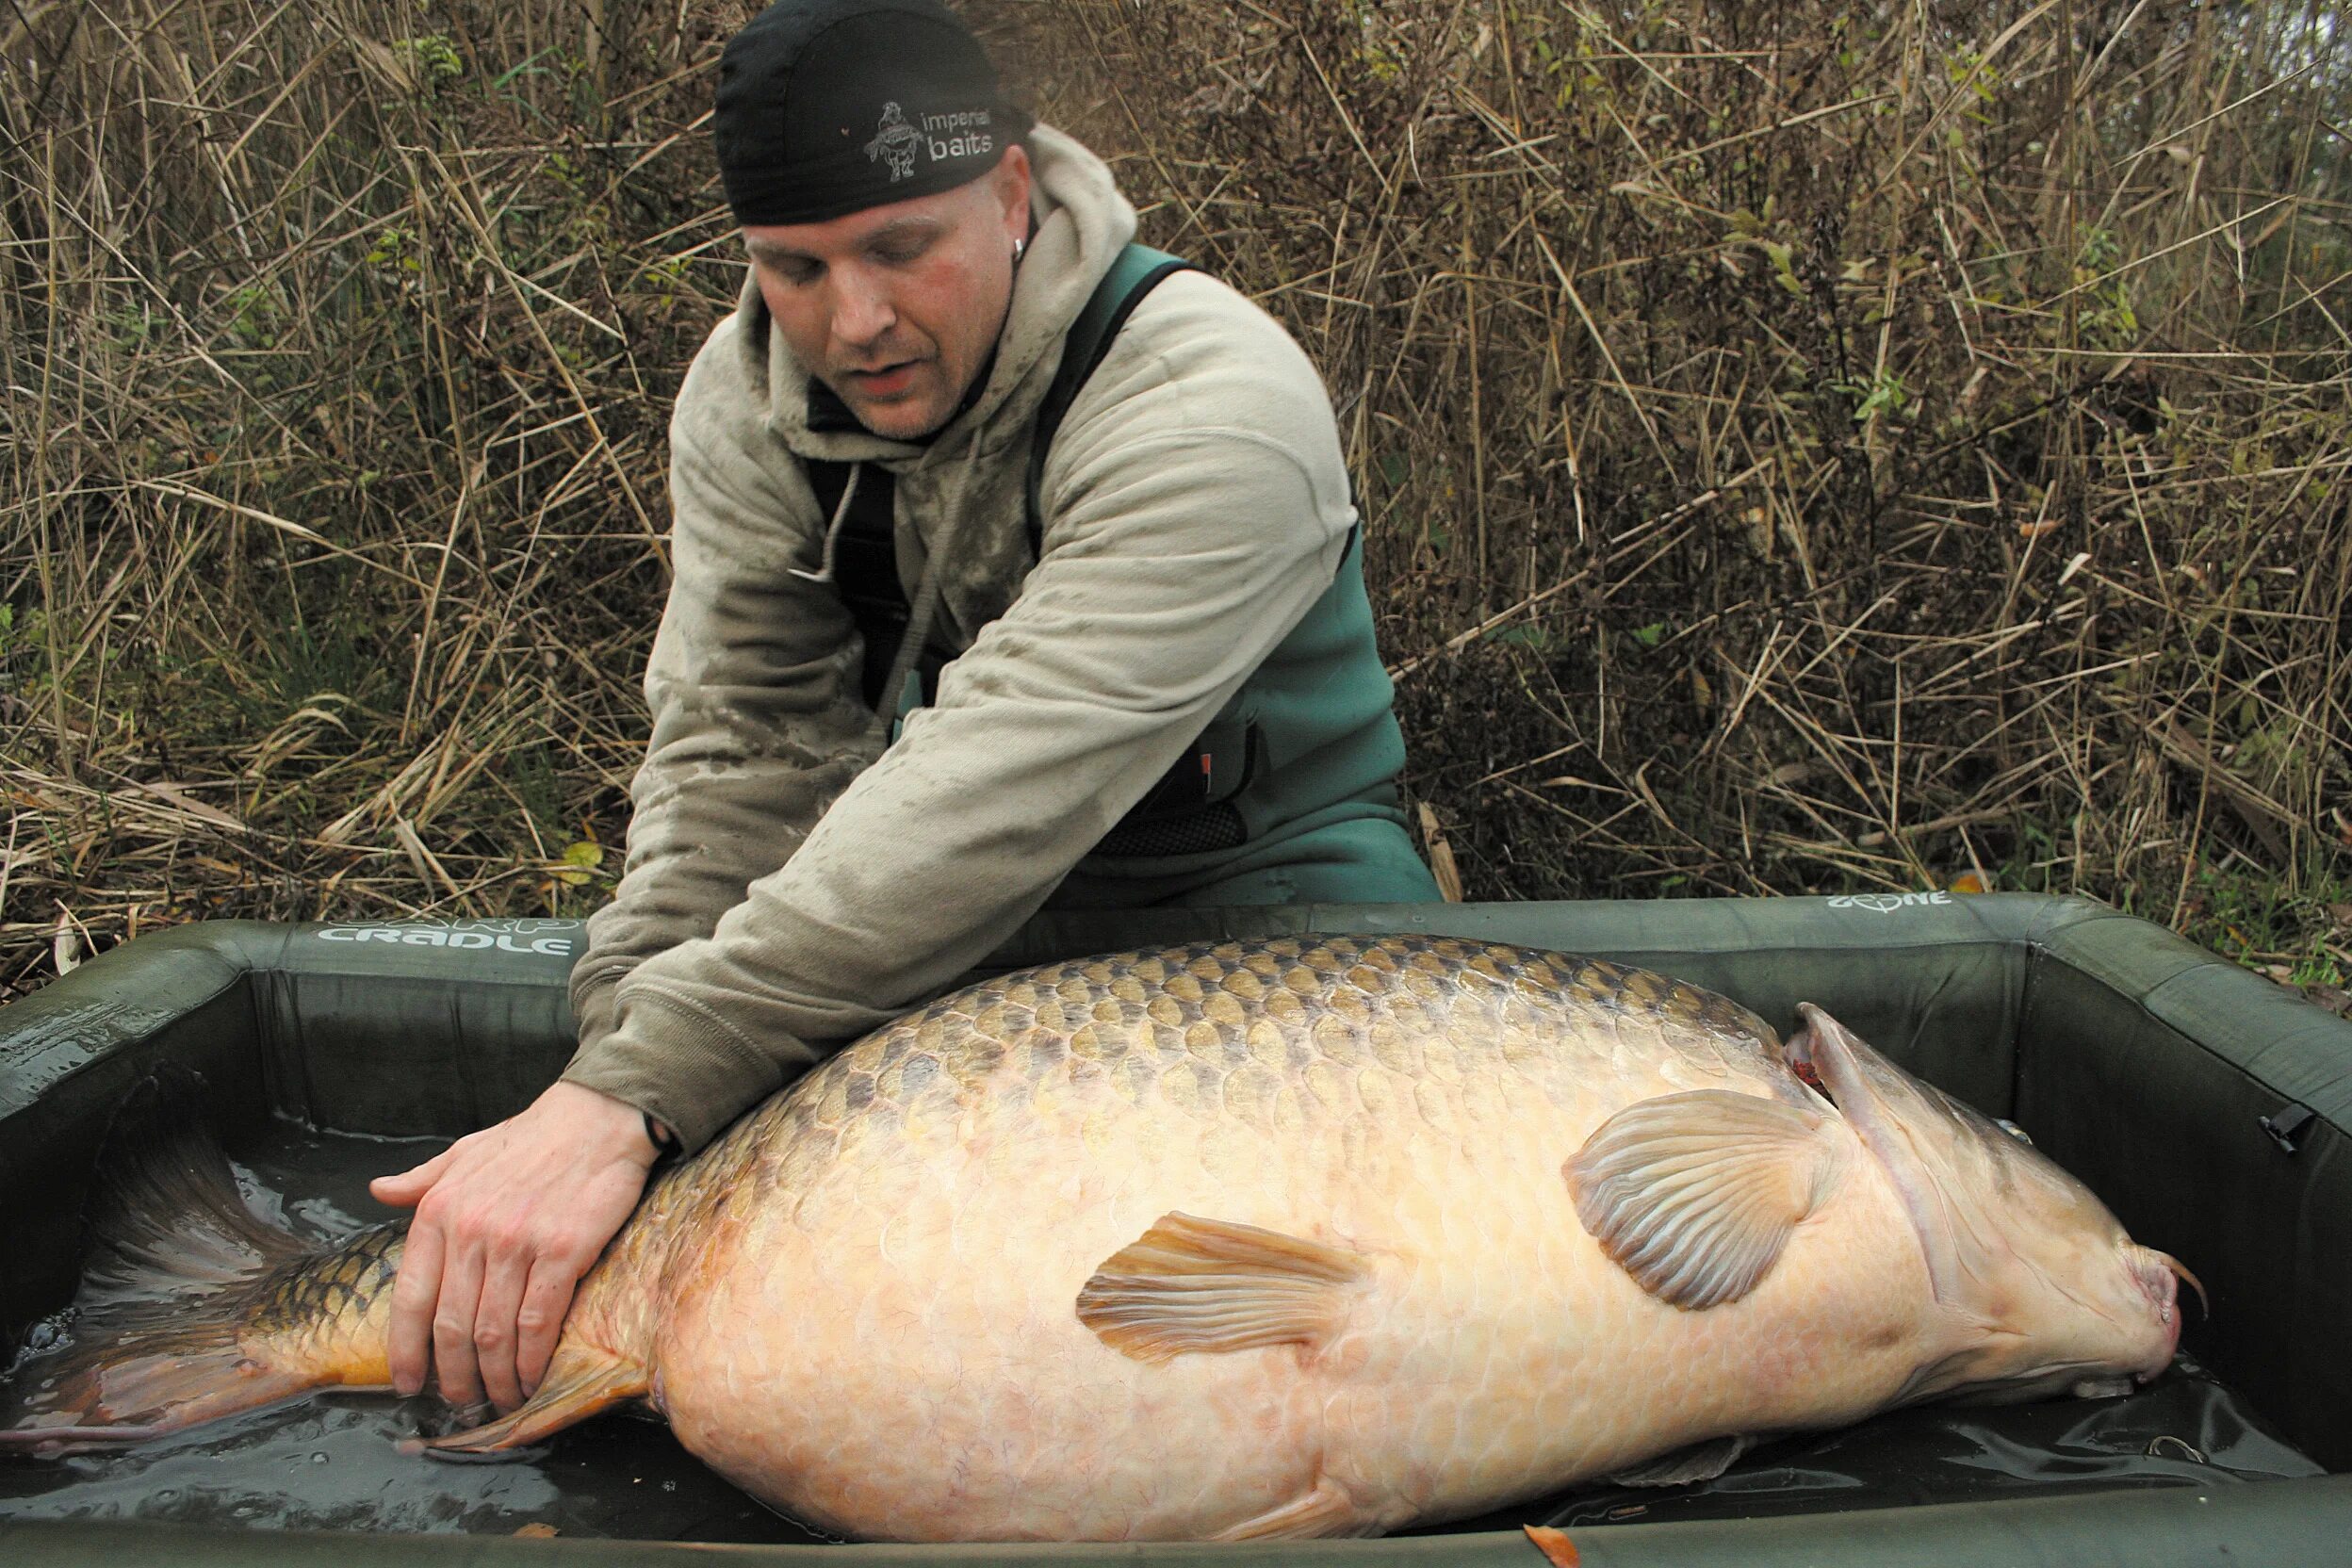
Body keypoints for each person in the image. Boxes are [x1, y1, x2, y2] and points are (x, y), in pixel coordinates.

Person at [369, 0, 1439, 1415]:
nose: (852, 324)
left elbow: (990, 795)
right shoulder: (749, 399)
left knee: (1364, 1288)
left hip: (1263, 874)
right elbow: (739, 757)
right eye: (793, 268)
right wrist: (611, 1094)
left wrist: (646, 1092)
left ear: (1011, 195)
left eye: (899, 249)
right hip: (920, 888)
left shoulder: (1211, 402)